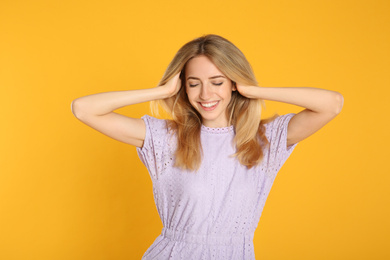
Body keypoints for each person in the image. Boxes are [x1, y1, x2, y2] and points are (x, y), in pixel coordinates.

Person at [71, 34, 343, 259]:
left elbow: (332, 104)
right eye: (193, 84)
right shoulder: (165, 138)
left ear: (234, 83)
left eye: (217, 82)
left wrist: (254, 91)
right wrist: (162, 92)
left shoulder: (264, 139)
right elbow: (83, 109)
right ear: (183, 88)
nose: (205, 94)